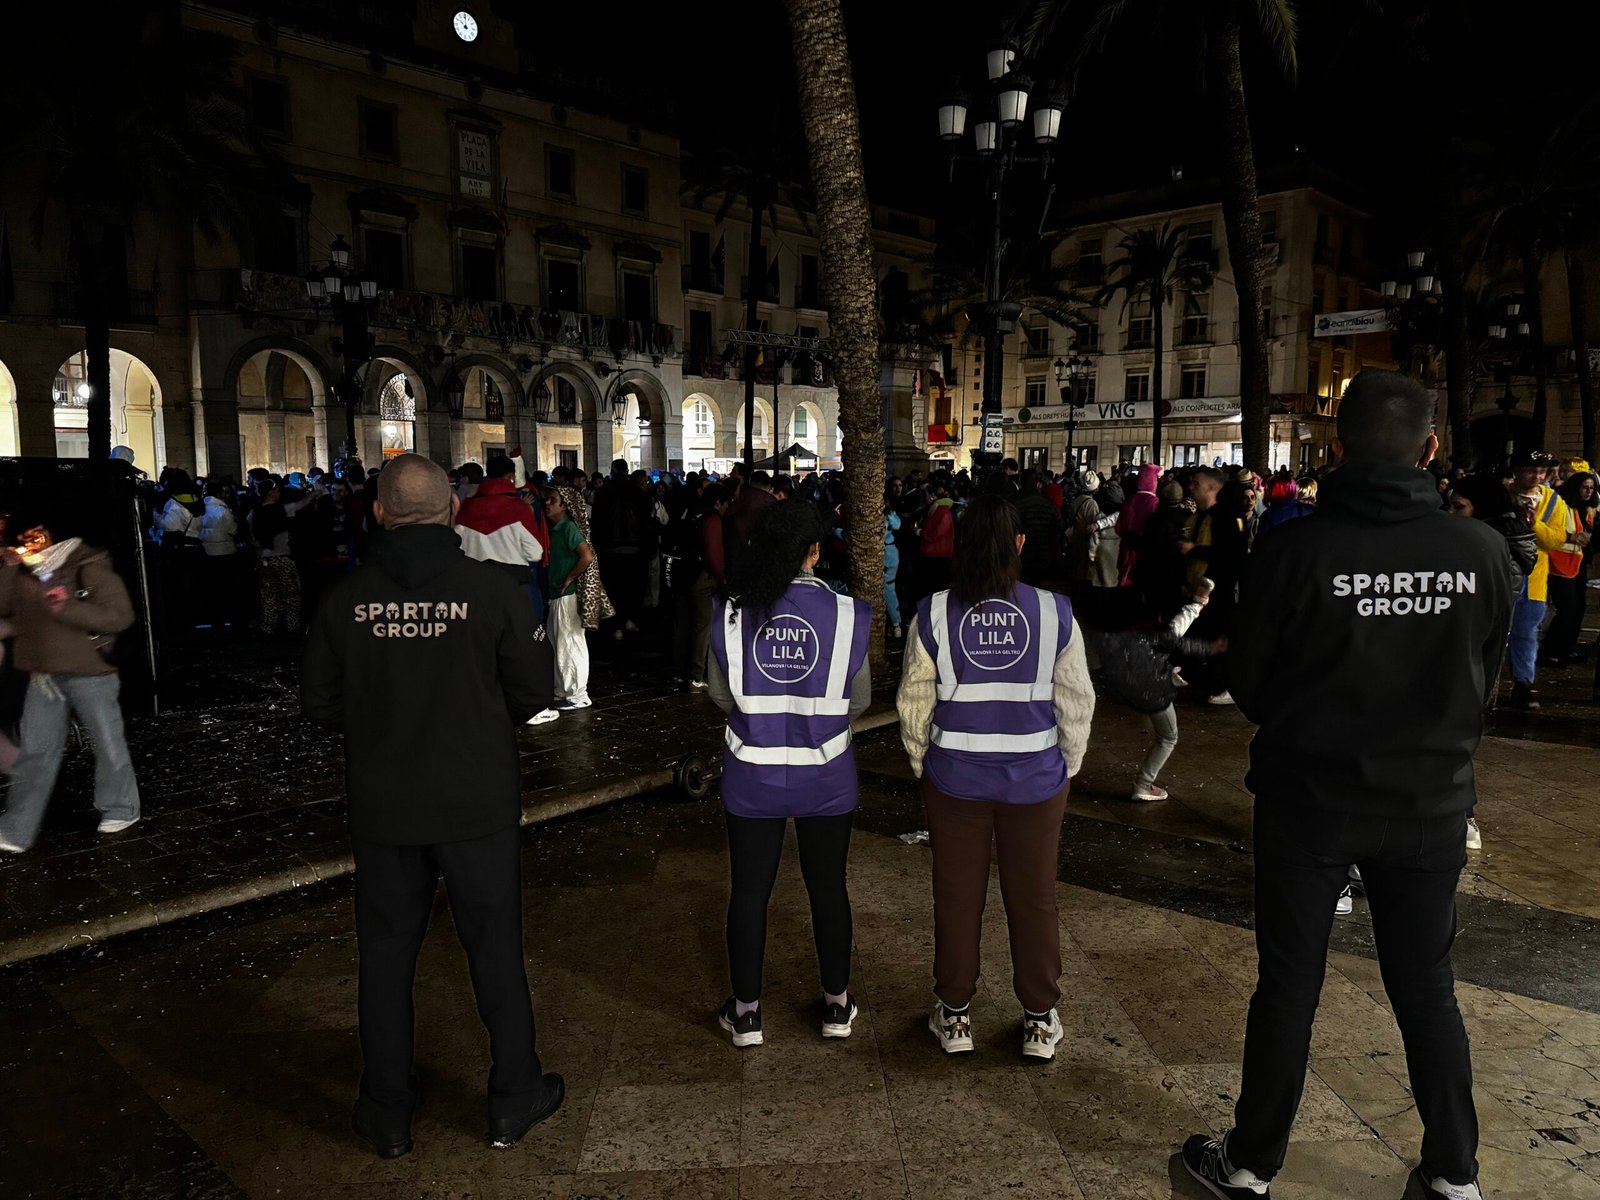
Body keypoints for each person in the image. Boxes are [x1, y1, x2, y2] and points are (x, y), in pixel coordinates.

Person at [1180, 370, 1514, 1200]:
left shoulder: (1297, 550)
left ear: (1336, 447)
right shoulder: (1480, 553)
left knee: (1289, 985)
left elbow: (1251, 686)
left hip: (1309, 804)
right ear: (1431, 450)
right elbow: (1488, 681)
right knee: (1427, 988)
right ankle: (1454, 1175)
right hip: (1430, 807)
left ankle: (1253, 1165)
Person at [300, 455, 563, 1159]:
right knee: (495, 950)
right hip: (475, 800)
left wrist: (385, 725)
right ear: (452, 511)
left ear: (378, 513)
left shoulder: (344, 598)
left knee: (385, 958)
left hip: (386, 806)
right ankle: (513, 1095)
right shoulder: (495, 592)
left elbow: (320, 703)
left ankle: (386, 1111)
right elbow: (534, 691)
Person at [895, 494, 1095, 1061]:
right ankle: (1038, 1018)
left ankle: (954, 1014)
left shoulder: (933, 612)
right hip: (1034, 782)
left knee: (956, 897)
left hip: (955, 780)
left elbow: (913, 701)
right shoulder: (1055, 613)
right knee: (1034, 899)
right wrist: (1064, 767)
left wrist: (922, 763)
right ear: (1021, 546)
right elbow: (1076, 701)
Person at [706, 500, 872, 1047]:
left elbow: (718, 694)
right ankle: (836, 1005)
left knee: (749, 891)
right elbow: (861, 699)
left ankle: (747, 1013)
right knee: (829, 889)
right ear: (814, 552)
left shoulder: (731, 611)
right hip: (826, 774)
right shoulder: (848, 614)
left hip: (751, 774)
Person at [0, 518, 140, 852]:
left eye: (34, 535)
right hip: (43, 673)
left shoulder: (86, 564)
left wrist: (69, 608)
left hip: (89, 670)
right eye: (22, 536)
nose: (27, 542)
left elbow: (120, 616)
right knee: (36, 749)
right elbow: (8, 608)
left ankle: (122, 807)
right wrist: (7, 569)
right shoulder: (26, 569)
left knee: (106, 743)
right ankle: (17, 827)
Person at [1503, 451, 1569, 711]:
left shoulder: (1554, 501)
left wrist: (1534, 524)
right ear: (1517, 470)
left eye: (1542, 471)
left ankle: (1522, 683)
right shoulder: (1502, 494)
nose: (1538, 476)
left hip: (1534, 580)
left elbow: (1555, 539)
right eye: (1532, 470)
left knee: (1526, 633)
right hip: (1500, 573)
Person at [542, 486, 602, 710]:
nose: (548, 503)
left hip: (567, 596)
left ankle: (577, 694)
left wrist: (569, 578)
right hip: (558, 595)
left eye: (553, 500)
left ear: (565, 505)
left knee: (570, 644)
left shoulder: (568, 528)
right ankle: (563, 691)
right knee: (559, 644)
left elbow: (586, 555)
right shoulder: (557, 528)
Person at [1541, 470, 1594, 666]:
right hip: (1559, 563)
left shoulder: (1587, 508)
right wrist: (1570, 537)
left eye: (1591, 488)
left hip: (1577, 563)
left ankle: (1566, 648)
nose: (1588, 492)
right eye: (1584, 487)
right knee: (1568, 609)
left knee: (1578, 608)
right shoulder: (1562, 505)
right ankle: (1551, 651)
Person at [196, 479, 241, 629]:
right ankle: (231, 620)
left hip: (206, 552)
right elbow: (233, 530)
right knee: (227, 589)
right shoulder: (223, 510)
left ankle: (214, 621)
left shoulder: (198, 509)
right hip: (225, 552)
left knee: (211, 589)